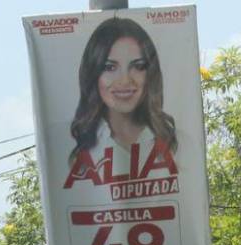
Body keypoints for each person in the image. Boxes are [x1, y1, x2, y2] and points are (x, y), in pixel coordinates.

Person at [69, 17, 177, 165]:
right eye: (110, 67)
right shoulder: (73, 145)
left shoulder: (176, 141)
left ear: (150, 73)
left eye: (138, 66)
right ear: (93, 74)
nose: (125, 80)